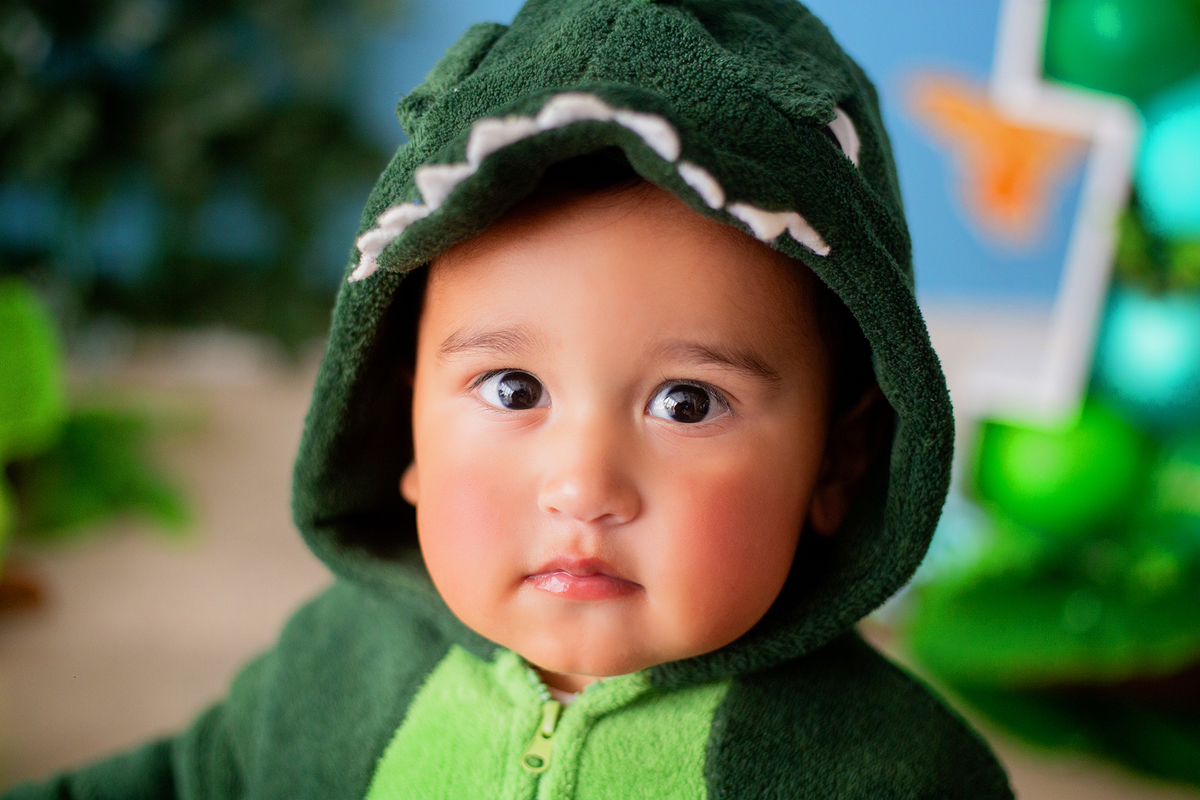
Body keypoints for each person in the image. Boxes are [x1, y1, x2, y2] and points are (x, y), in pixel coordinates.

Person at [4, 0, 1015, 797]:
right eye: (513, 386)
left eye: (687, 403)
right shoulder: (333, 671)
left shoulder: (891, 769)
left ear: (835, 465)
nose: (583, 486)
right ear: (402, 424)